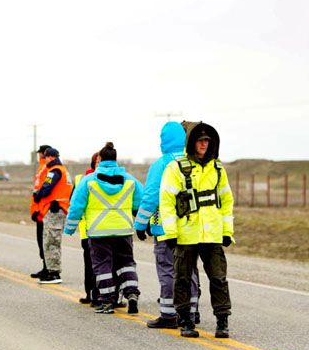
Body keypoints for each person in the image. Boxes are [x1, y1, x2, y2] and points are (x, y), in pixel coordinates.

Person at [160, 122, 234, 338]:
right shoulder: (175, 168)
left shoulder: (218, 169)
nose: (204, 144)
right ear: (192, 142)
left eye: (207, 141)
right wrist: (171, 234)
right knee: (182, 278)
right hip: (186, 234)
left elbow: (227, 201)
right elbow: (166, 203)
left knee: (219, 278)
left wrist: (227, 231)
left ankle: (222, 321)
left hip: (212, 234)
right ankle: (185, 321)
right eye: (201, 140)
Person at [134, 122, 201, 329]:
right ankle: (191, 312)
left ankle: (169, 314)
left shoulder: (162, 164)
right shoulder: (195, 162)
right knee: (189, 270)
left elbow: (151, 196)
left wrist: (140, 223)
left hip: (165, 228)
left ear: (163, 140)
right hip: (192, 228)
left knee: (168, 270)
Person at [65, 142, 144, 314]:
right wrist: (142, 222)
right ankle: (131, 294)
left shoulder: (88, 180)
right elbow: (141, 201)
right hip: (123, 230)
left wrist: (69, 228)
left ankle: (107, 302)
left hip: (98, 232)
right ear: (116, 159)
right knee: (126, 264)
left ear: (100, 159)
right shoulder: (130, 180)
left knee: (103, 267)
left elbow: (76, 206)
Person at [32, 147, 72, 284]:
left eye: (45, 157)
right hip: (60, 209)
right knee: (51, 240)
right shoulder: (64, 171)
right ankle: (50, 270)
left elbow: (46, 188)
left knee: (51, 241)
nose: (44, 159)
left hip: (55, 210)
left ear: (50, 157)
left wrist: (37, 196)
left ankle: (54, 273)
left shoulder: (54, 171)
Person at [74, 152, 100, 305]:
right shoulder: (82, 180)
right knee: (90, 264)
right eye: (97, 161)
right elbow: (74, 204)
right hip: (87, 230)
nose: (99, 164)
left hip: (106, 230)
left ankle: (105, 295)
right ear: (92, 163)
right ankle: (90, 293)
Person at [30, 144, 52, 278]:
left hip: (44, 210)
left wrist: (38, 210)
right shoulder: (41, 167)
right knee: (41, 241)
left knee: (45, 241)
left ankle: (48, 268)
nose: (39, 155)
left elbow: (44, 191)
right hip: (39, 210)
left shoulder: (47, 168)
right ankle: (45, 267)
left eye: (40, 153)